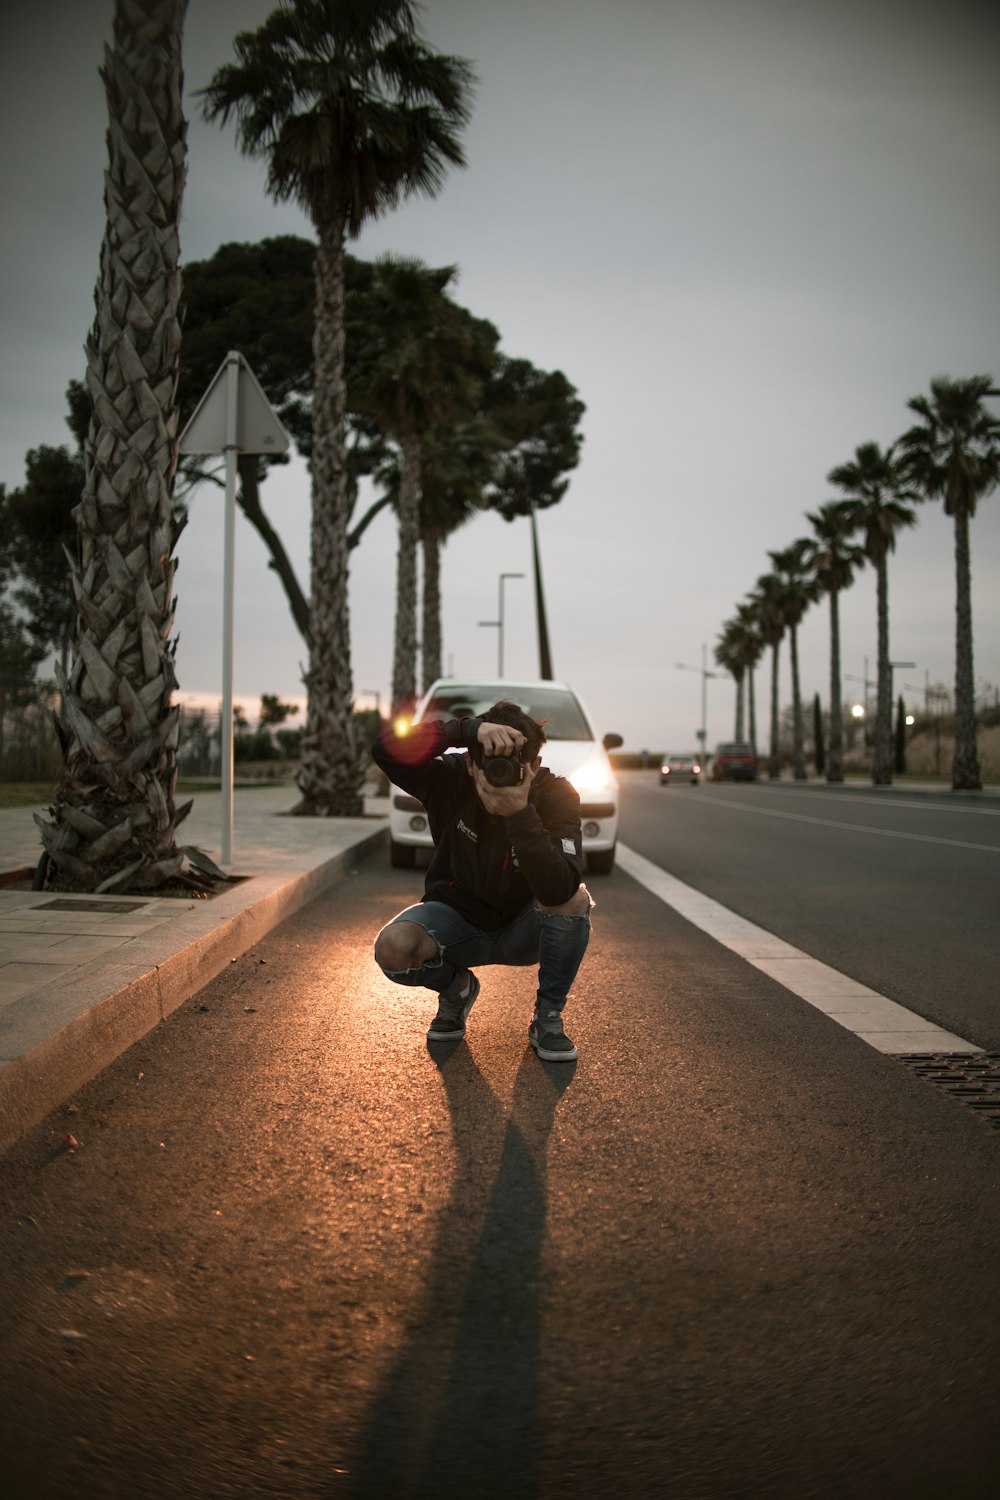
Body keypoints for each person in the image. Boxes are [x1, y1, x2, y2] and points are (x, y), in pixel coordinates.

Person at [372, 699, 593, 1061]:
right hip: (457, 924)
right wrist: (465, 730)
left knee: (576, 899)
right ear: (471, 762)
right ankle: (457, 989)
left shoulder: (556, 794)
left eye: (513, 766)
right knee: (393, 947)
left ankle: (548, 1018)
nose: (498, 774)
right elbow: (384, 750)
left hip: (525, 930)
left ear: (534, 766)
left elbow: (560, 889)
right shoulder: (448, 778)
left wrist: (520, 816)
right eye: (488, 763)